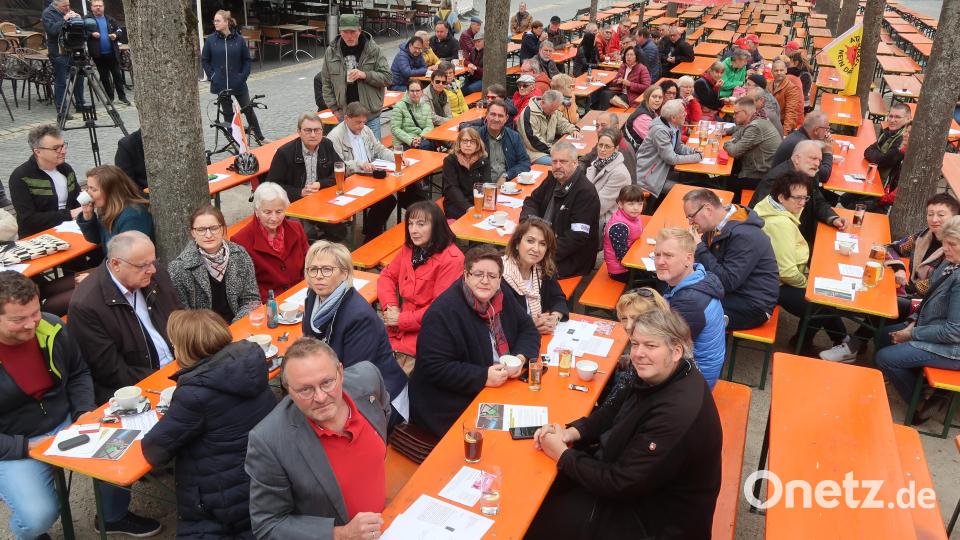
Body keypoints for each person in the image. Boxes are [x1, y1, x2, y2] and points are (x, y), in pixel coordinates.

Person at [526, 307, 722, 540]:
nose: (638, 353)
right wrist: (572, 432)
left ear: (676, 351)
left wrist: (563, 455)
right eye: (635, 343)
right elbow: (610, 411)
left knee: (537, 519)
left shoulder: (676, 412)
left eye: (650, 345)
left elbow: (621, 483)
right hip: (637, 488)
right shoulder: (660, 372)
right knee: (540, 489)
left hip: (657, 521)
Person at [0, 271, 158, 539]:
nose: (31, 325)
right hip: (16, 441)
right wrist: (25, 447)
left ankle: (112, 517)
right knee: (38, 517)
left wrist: (83, 412)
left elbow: (78, 372)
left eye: (35, 313)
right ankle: (31, 533)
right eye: (18, 319)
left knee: (122, 453)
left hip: (66, 420)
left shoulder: (51, 326)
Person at [141, 309, 275, 539]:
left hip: (227, 499)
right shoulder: (251, 361)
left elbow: (155, 449)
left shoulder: (195, 394)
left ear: (184, 348)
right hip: (265, 477)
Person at [245, 338, 391, 540]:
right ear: (288, 389)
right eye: (306, 389)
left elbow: (384, 413)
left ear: (340, 372)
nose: (321, 397)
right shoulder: (269, 441)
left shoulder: (368, 379)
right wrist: (340, 534)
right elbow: (268, 524)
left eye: (327, 382)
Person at [410, 245, 540, 437]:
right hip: (449, 402)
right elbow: (434, 367)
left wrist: (520, 359)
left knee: (534, 424)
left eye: (492, 276)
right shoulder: (443, 312)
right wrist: (483, 376)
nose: (485, 281)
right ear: (466, 275)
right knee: (507, 438)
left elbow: (528, 328)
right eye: (478, 274)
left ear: (499, 279)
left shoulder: (501, 295)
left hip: (500, 385)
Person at [822, 193, 960, 363]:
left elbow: (931, 287)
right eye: (930, 214)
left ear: (954, 217)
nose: (934, 219)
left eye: (941, 214)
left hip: (926, 304)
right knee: (878, 292)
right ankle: (854, 343)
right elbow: (891, 247)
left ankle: (853, 345)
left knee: (885, 300)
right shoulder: (923, 236)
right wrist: (899, 267)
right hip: (914, 295)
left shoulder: (953, 252)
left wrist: (906, 286)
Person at [301, 241, 409, 423]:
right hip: (335, 381)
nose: (319, 276)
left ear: (344, 273)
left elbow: (356, 378)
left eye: (327, 270)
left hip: (380, 396)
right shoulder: (313, 296)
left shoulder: (359, 317)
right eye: (313, 269)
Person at [68, 231, 180, 403]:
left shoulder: (155, 275)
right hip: (138, 390)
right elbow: (111, 372)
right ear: (116, 264)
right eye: (143, 265)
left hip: (180, 367)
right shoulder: (86, 305)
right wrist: (168, 378)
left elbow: (181, 320)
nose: (152, 269)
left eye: (153, 261)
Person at [753, 173, 850, 355]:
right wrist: (808, 284)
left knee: (824, 294)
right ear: (782, 197)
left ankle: (841, 339)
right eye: (798, 198)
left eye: (805, 198)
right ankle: (802, 343)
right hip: (772, 284)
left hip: (771, 277)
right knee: (821, 301)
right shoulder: (780, 224)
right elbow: (787, 272)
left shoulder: (770, 205)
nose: (803, 203)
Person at [874, 216, 960, 415]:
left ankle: (920, 404)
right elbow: (928, 299)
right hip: (933, 329)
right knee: (882, 336)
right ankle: (915, 381)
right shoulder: (950, 263)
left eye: (952, 244)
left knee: (885, 357)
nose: (945, 248)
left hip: (953, 349)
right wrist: (911, 324)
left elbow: (954, 332)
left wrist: (912, 334)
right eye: (944, 242)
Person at [378, 201, 463, 373]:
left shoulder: (452, 259)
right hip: (398, 328)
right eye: (410, 223)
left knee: (391, 378)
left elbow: (439, 310)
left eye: (421, 224)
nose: (413, 230)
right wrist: (391, 307)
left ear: (436, 226)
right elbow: (386, 276)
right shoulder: (410, 249)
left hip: (428, 333)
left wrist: (401, 319)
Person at [683, 188, 780, 331]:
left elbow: (727, 282)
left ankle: (703, 350)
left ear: (708, 210)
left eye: (691, 217)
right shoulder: (715, 224)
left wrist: (699, 247)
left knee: (684, 311)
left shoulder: (745, 235)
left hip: (752, 305)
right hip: (732, 293)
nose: (690, 223)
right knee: (677, 289)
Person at [655, 227, 725, 388]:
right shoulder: (698, 277)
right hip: (692, 370)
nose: (660, 261)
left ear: (688, 259)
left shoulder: (690, 302)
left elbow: (663, 348)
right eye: (657, 254)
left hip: (693, 384)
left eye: (668, 255)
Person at [167, 205, 260, 324]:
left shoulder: (240, 254)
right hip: (203, 335)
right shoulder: (179, 268)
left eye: (214, 228)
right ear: (192, 233)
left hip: (238, 326)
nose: (208, 235)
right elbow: (183, 317)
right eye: (201, 230)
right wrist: (216, 334)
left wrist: (235, 327)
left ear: (223, 229)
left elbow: (251, 299)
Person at [521, 142, 601, 278]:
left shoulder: (585, 192)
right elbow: (532, 201)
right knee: (509, 262)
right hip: (543, 244)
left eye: (563, 161)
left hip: (571, 257)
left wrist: (543, 251)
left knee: (526, 271)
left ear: (575, 163)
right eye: (554, 161)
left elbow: (577, 237)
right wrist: (528, 223)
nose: (558, 166)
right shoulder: (553, 178)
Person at [265, 112, 347, 242]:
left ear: (322, 131)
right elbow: (270, 187)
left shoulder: (326, 145)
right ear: (299, 131)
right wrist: (300, 192)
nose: (313, 134)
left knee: (339, 231)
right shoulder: (285, 153)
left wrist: (320, 184)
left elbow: (341, 170)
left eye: (317, 130)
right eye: (308, 130)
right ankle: (308, 247)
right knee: (303, 235)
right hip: (294, 204)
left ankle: (317, 248)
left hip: (320, 201)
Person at [753, 139, 846, 245]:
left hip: (799, 234)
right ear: (797, 159)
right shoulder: (777, 180)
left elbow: (818, 201)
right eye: (813, 158)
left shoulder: (808, 173)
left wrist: (833, 218)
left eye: (820, 160)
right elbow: (760, 217)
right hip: (782, 240)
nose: (817, 164)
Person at [232, 182, 310, 300]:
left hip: (301, 294)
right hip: (268, 303)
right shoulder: (240, 240)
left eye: (279, 211)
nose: (274, 218)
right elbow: (247, 286)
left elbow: (309, 264)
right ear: (257, 211)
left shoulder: (296, 228)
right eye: (267, 212)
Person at [321, 14, 391, 138]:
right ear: (339, 31)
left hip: (370, 115)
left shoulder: (373, 50)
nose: (349, 36)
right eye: (345, 32)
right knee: (348, 154)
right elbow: (326, 82)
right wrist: (334, 109)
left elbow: (387, 78)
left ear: (359, 30)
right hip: (345, 116)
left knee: (373, 154)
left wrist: (365, 75)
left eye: (352, 32)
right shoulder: (331, 52)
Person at [201, 10, 265, 143]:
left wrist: (242, 76)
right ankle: (234, 141)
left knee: (248, 110)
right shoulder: (211, 40)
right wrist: (213, 76)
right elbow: (204, 60)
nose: (215, 23)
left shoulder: (239, 40)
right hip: (221, 84)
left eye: (218, 20)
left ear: (226, 22)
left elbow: (247, 60)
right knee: (228, 114)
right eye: (214, 21)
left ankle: (260, 137)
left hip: (239, 83)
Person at [9, 124, 80, 237]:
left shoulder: (66, 169)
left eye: (63, 145)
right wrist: (69, 214)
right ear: (38, 152)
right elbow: (28, 219)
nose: (63, 151)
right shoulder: (21, 176)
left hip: (71, 229)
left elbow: (76, 200)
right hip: (39, 237)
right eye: (56, 148)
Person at [839, 102, 911, 211]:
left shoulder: (902, 140)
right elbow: (868, 151)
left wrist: (878, 156)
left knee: (850, 206)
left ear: (908, 118)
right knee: (844, 199)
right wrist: (879, 156)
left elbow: (882, 160)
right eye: (890, 116)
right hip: (873, 180)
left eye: (897, 117)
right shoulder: (888, 132)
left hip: (881, 192)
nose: (892, 120)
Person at [502, 218, 569, 334]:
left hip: (539, 335)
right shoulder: (500, 275)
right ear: (517, 244)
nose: (536, 249)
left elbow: (558, 299)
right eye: (530, 241)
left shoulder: (543, 270)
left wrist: (554, 318)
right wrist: (532, 326)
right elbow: (502, 321)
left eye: (542, 244)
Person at [634, 99, 703, 205]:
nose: (685, 114)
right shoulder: (660, 131)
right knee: (684, 191)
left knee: (691, 180)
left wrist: (693, 151)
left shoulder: (674, 125)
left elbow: (678, 147)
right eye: (682, 112)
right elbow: (671, 159)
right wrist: (697, 157)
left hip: (663, 171)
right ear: (673, 118)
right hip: (649, 178)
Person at [722, 97, 782, 203]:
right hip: (761, 170)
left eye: (736, 113)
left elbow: (735, 151)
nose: (733, 116)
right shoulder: (758, 119)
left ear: (745, 113)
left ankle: (735, 210)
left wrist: (726, 144)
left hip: (760, 177)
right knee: (730, 171)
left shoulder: (755, 126)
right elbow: (738, 134)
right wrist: (733, 141)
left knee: (725, 182)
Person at [77, 165, 153, 247]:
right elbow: (97, 239)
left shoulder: (134, 217)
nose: (88, 193)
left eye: (93, 189)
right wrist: (88, 215)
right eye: (88, 188)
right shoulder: (107, 210)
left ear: (111, 192)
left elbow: (128, 255)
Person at [42, 0, 85, 121]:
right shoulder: (47, 13)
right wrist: (64, 19)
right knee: (61, 82)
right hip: (59, 53)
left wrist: (78, 20)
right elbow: (52, 31)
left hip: (73, 49)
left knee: (78, 78)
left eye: (68, 5)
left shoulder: (68, 12)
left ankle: (80, 105)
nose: (67, 8)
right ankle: (62, 111)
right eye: (64, 6)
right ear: (56, 6)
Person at [768, 111, 834, 187]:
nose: (827, 133)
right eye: (826, 129)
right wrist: (828, 152)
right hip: (781, 191)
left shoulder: (798, 135)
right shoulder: (804, 146)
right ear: (816, 130)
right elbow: (824, 175)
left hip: (786, 185)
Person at [476, 100, 531, 188]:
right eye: (493, 114)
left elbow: (525, 163)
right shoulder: (476, 137)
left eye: (500, 116)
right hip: (482, 188)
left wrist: (506, 175)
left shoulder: (514, 137)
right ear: (486, 115)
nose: (496, 119)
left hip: (509, 186)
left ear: (506, 118)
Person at [517, 90, 579, 165]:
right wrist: (554, 150)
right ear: (542, 103)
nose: (553, 112)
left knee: (570, 159)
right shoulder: (528, 114)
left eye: (555, 109)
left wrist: (573, 130)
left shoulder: (552, 108)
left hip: (548, 148)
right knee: (563, 163)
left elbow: (562, 123)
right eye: (551, 110)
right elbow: (533, 141)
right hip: (533, 152)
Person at [586, 128, 632, 227]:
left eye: (607, 146)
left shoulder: (620, 174)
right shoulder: (596, 164)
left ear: (616, 149)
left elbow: (599, 207)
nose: (602, 150)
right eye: (600, 145)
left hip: (605, 223)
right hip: (590, 215)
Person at [442, 127, 491, 219]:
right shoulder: (450, 161)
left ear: (477, 144)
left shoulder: (483, 160)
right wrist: (468, 207)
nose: (468, 144)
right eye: (465, 141)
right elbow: (452, 188)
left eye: (472, 142)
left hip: (478, 202)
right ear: (459, 143)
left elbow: (486, 183)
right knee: (473, 218)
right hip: (456, 204)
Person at [85, 0, 128, 105]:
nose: (98, 8)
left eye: (100, 6)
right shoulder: (87, 20)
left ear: (103, 7)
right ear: (91, 8)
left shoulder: (110, 19)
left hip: (112, 53)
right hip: (98, 54)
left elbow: (119, 30)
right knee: (104, 76)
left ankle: (122, 97)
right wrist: (91, 34)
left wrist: (115, 35)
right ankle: (110, 97)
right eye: (96, 6)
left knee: (117, 75)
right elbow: (83, 33)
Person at [603, 185, 646, 283]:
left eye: (640, 204)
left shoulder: (632, 217)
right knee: (654, 280)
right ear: (620, 204)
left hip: (629, 261)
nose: (636, 208)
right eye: (631, 204)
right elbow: (622, 256)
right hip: (619, 270)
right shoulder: (619, 226)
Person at [580, 112, 637, 183]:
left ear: (615, 127)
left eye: (603, 126)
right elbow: (585, 160)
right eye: (597, 126)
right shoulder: (604, 141)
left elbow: (630, 183)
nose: (599, 129)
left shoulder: (623, 149)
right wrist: (575, 173)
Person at [391, 80, 436, 150]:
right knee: (427, 146)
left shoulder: (426, 106)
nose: (415, 93)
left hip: (420, 139)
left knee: (432, 143)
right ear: (408, 92)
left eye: (417, 91)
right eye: (412, 91)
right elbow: (395, 129)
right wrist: (411, 140)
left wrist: (420, 137)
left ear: (422, 92)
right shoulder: (399, 106)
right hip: (403, 142)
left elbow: (429, 126)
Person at [769, 59, 803, 133]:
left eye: (781, 70)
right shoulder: (769, 85)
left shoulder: (791, 88)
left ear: (786, 71)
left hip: (781, 125)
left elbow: (790, 112)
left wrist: (785, 133)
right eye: (776, 70)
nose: (779, 73)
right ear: (771, 71)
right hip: (769, 123)